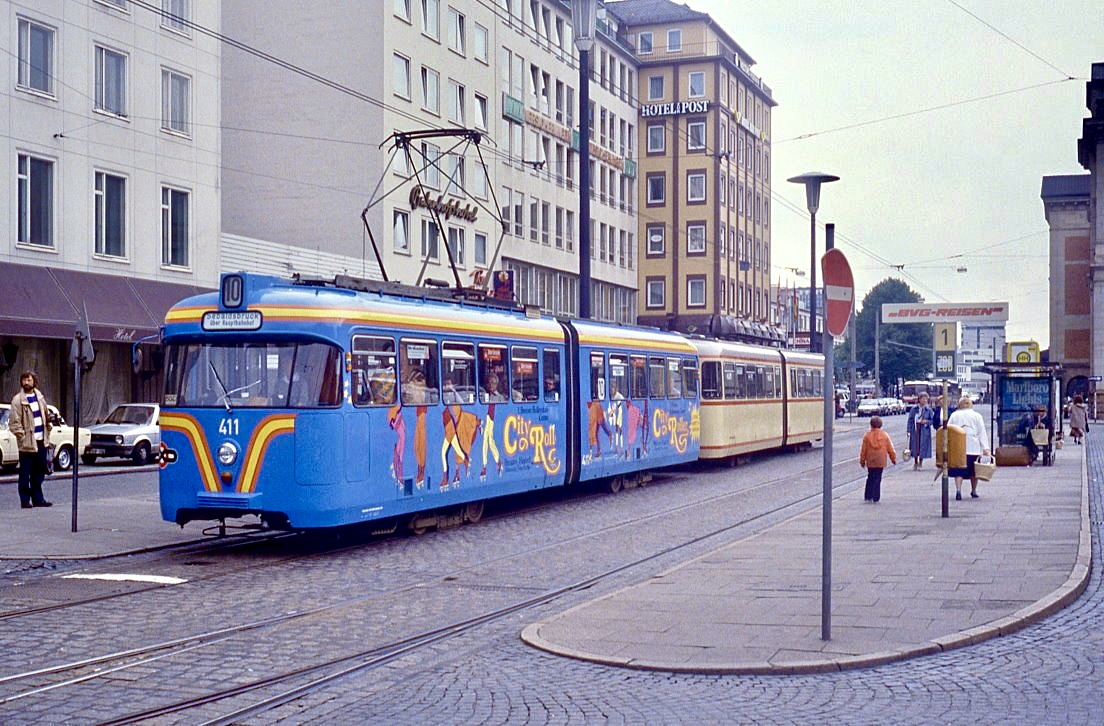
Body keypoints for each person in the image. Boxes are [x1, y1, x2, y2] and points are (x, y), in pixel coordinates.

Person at [9, 371, 53, 508]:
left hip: (41, 441)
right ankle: (25, 500)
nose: (26, 382)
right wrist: (22, 437)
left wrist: (48, 427)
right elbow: (14, 423)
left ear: (34, 381)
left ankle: (38, 499)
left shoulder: (39, 397)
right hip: (27, 444)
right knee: (25, 473)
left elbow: (46, 415)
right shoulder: (18, 400)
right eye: (24, 380)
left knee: (39, 472)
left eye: (29, 380)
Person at [947, 396, 990, 500]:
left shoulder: (954, 415)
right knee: (974, 471)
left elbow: (948, 429)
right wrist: (985, 447)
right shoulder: (977, 416)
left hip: (958, 447)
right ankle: (973, 490)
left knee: (958, 470)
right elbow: (981, 431)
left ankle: (958, 490)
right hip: (973, 447)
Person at [859, 415, 897, 503]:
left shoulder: (867, 436)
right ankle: (876, 497)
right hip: (880, 460)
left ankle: (868, 496)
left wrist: (862, 461)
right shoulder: (884, 435)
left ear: (871, 425)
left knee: (870, 477)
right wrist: (893, 459)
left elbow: (863, 450)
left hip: (870, 459)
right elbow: (890, 449)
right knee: (878, 478)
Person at [906, 392, 936, 470]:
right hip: (915, 429)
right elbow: (910, 420)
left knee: (923, 445)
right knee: (915, 445)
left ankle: (920, 462)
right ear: (919, 399)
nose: (925, 400)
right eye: (923, 399)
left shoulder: (928, 410)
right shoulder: (914, 409)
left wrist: (926, 422)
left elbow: (932, 420)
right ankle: (915, 462)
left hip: (924, 430)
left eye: (926, 399)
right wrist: (908, 430)